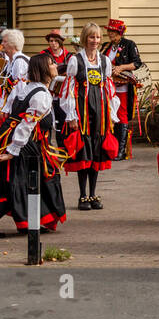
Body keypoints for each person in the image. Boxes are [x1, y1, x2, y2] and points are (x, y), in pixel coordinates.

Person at [0, 52, 68, 238]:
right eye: (52, 63)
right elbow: (26, 124)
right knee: (25, 186)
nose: (55, 66)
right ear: (44, 69)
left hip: (19, 141)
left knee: (25, 185)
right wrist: (12, 151)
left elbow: (11, 114)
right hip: (27, 146)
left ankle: (29, 223)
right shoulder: (41, 96)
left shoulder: (25, 88)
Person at [60, 22, 118, 209]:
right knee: (83, 154)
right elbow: (68, 89)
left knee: (96, 154)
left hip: (100, 113)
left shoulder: (104, 61)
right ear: (85, 39)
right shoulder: (76, 60)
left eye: (98, 37)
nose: (95, 40)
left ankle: (93, 194)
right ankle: (82, 195)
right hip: (83, 112)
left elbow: (109, 89)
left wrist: (111, 113)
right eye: (92, 37)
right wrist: (72, 116)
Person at [104, 18, 142, 161]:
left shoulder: (129, 44)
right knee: (109, 114)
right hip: (108, 85)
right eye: (109, 31)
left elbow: (137, 63)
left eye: (112, 31)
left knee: (121, 114)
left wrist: (121, 67)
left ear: (119, 32)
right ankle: (109, 148)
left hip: (122, 86)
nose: (110, 33)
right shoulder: (106, 46)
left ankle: (121, 150)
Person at [0, 29, 29, 117]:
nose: (2, 44)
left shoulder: (19, 61)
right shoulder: (11, 61)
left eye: (5, 41)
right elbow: (6, 88)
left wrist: (6, 109)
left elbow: (19, 90)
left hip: (17, 110)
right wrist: (1, 106)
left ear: (13, 44)